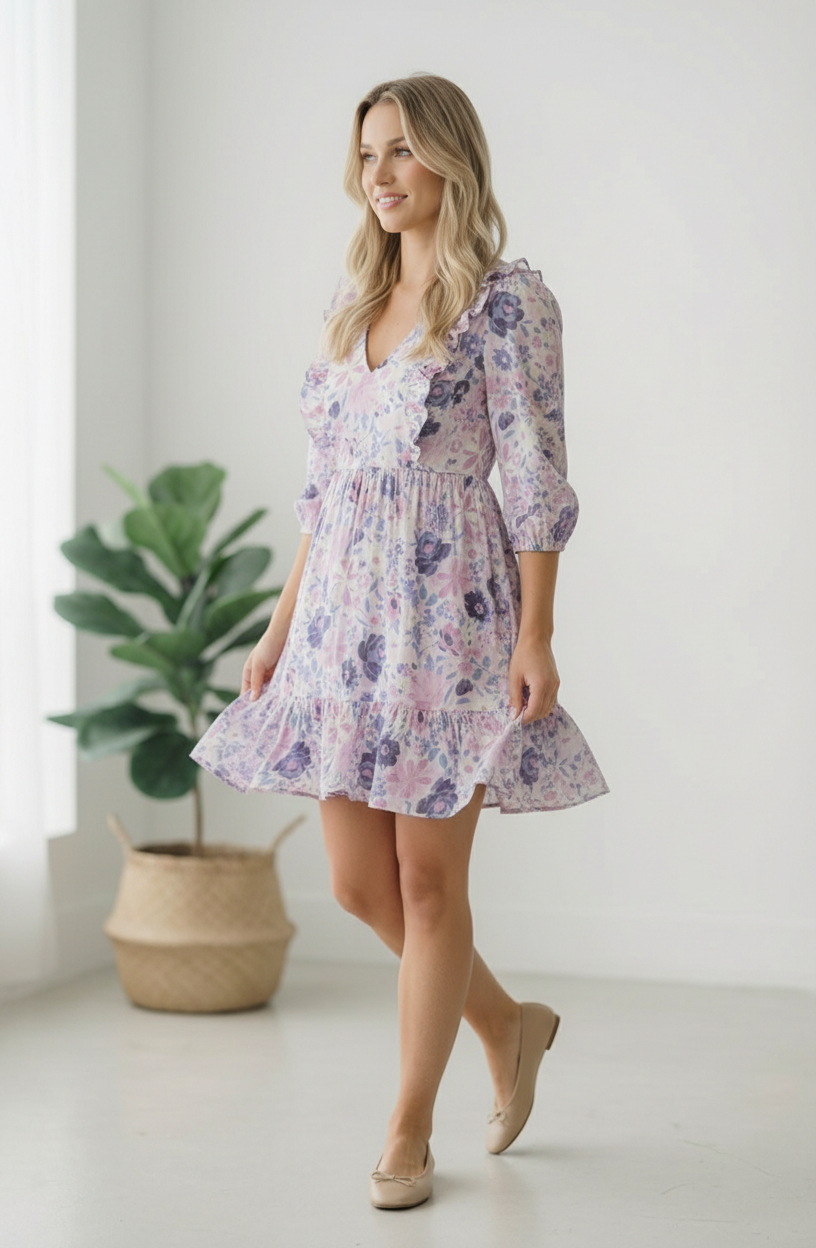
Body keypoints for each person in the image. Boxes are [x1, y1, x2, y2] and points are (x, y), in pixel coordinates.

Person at [191, 72, 609, 1209]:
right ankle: (508, 1024)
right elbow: (324, 493)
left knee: (428, 886)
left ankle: (409, 1128)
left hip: (451, 626)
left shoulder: (508, 305)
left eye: (402, 151)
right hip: (340, 628)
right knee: (357, 886)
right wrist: (278, 632)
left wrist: (537, 633)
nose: (379, 175)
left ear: (450, 159)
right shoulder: (354, 302)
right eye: (367, 154)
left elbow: (533, 476)